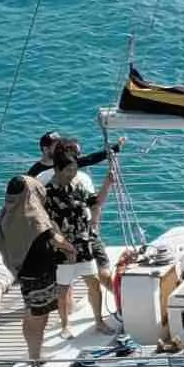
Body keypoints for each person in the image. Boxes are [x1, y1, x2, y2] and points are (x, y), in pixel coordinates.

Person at [42, 137, 117, 334]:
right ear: (58, 170)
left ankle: (99, 321)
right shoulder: (47, 193)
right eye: (69, 171)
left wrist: (107, 184)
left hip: (83, 243)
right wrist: (65, 246)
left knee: (93, 282)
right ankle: (66, 325)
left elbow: (95, 203)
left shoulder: (77, 186)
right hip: (63, 248)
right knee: (64, 288)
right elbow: (47, 223)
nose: (72, 174)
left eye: (74, 170)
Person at [0, 173, 68, 367]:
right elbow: (55, 239)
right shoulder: (33, 215)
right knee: (39, 317)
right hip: (39, 273)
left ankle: (33, 353)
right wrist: (70, 248)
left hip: (24, 273)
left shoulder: (8, 212)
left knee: (31, 313)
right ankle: (36, 359)